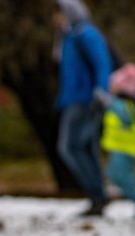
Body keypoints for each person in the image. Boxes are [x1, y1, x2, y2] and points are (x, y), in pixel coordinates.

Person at [53, 0, 112, 216]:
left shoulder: (85, 34)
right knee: (85, 148)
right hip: (72, 99)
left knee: (69, 147)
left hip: (85, 99)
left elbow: (102, 62)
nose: (55, 18)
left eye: (59, 12)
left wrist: (101, 90)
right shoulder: (67, 38)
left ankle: (97, 193)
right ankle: (98, 197)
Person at [101, 64, 135, 219]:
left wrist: (107, 102)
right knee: (116, 176)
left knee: (120, 177)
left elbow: (123, 115)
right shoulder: (122, 104)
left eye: (114, 85)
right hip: (119, 147)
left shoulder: (124, 104)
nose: (111, 88)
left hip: (125, 147)